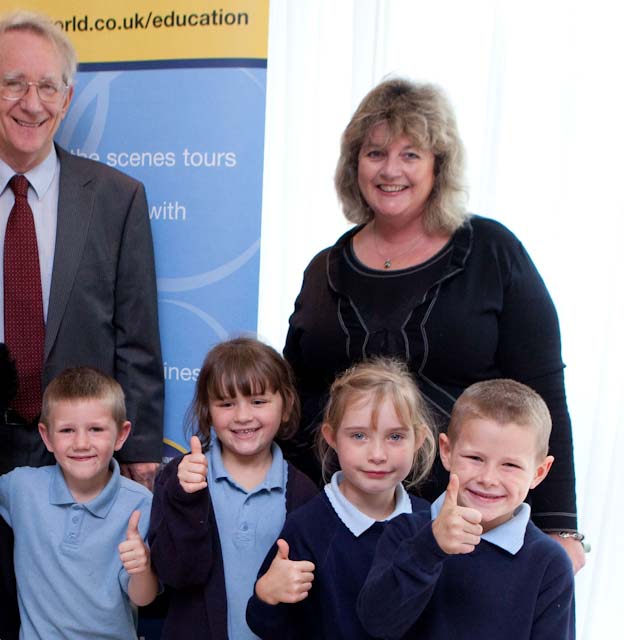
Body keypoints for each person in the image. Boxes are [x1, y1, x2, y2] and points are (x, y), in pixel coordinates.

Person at [282, 77, 584, 572]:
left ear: (438, 166)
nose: (390, 170)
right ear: (354, 165)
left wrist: (561, 528)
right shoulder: (325, 268)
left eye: (410, 154)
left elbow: (543, 392)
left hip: (466, 528)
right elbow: (292, 397)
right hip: (339, 526)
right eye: (375, 153)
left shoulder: (492, 252)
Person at [0, 10, 163, 488]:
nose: (32, 103)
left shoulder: (116, 198)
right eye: (14, 83)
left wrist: (142, 446)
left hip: (79, 456)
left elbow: (137, 337)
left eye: (48, 87)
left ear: (66, 99)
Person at [356, 379, 575, 638]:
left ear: (539, 472)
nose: (488, 478)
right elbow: (376, 624)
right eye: (475, 458)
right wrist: (430, 547)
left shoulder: (549, 563)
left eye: (510, 466)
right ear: (447, 451)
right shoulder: (406, 532)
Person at [246, 358, 434, 639]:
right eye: (359, 435)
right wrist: (267, 596)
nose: (377, 454)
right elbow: (274, 628)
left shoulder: (431, 524)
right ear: (331, 437)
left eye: (395, 436)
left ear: (418, 439)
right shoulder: (307, 528)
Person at [149, 337, 319, 639]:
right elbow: (175, 574)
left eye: (258, 401)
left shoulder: (304, 493)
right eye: (226, 403)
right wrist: (184, 499)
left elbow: (309, 601)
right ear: (207, 410)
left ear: (286, 404)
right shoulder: (179, 479)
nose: (242, 416)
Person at [0, 367, 158, 638]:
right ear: (47, 437)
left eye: (96, 429)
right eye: (67, 430)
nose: (81, 443)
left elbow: (143, 598)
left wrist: (141, 568)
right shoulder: (21, 488)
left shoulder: (140, 504)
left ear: (121, 434)